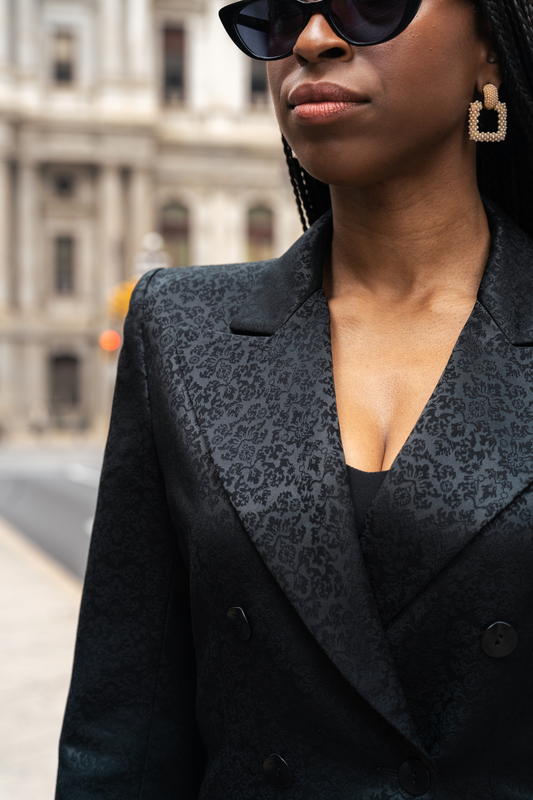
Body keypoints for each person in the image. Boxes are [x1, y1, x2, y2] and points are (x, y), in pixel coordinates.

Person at [56, 0, 533, 796]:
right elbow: (121, 739)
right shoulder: (178, 331)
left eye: (372, 4)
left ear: (489, 46)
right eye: (276, 16)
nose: (312, 39)